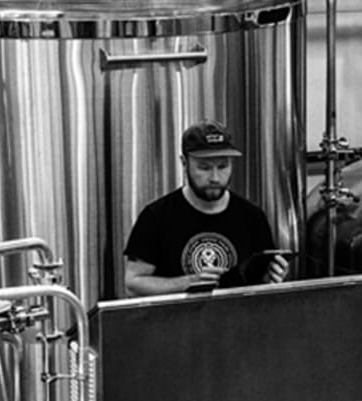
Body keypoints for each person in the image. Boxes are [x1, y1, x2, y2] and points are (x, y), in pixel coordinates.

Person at [123, 121, 291, 297]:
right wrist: (190, 282)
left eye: (223, 166)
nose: (215, 177)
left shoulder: (252, 217)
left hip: (237, 320)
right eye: (204, 167)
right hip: (177, 321)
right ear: (184, 163)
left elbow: (262, 287)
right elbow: (133, 284)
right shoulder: (156, 217)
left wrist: (271, 278)